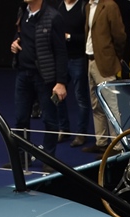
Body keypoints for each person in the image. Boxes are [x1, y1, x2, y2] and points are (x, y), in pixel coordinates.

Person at [11, 0, 68, 170]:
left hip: (45, 77)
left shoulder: (54, 17)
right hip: (23, 74)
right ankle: (22, 159)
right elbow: (20, 35)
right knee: (20, 119)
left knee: (50, 120)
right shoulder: (22, 12)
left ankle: (49, 160)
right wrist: (15, 43)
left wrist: (61, 82)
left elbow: (61, 51)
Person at [82, 0, 126, 153]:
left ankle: (117, 145)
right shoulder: (88, 6)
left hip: (105, 62)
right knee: (96, 104)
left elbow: (120, 36)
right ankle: (101, 142)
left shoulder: (110, 5)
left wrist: (114, 56)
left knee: (110, 105)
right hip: (90, 60)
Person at [55, 0, 91, 147]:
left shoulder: (83, 7)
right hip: (62, 59)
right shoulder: (60, 7)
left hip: (78, 59)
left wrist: (70, 37)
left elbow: (88, 36)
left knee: (81, 97)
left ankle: (81, 133)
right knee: (58, 95)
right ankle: (63, 128)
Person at [115, 0, 130, 79]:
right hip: (127, 34)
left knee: (115, 57)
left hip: (115, 35)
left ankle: (113, 77)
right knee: (127, 57)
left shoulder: (112, 4)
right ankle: (125, 77)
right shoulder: (128, 4)